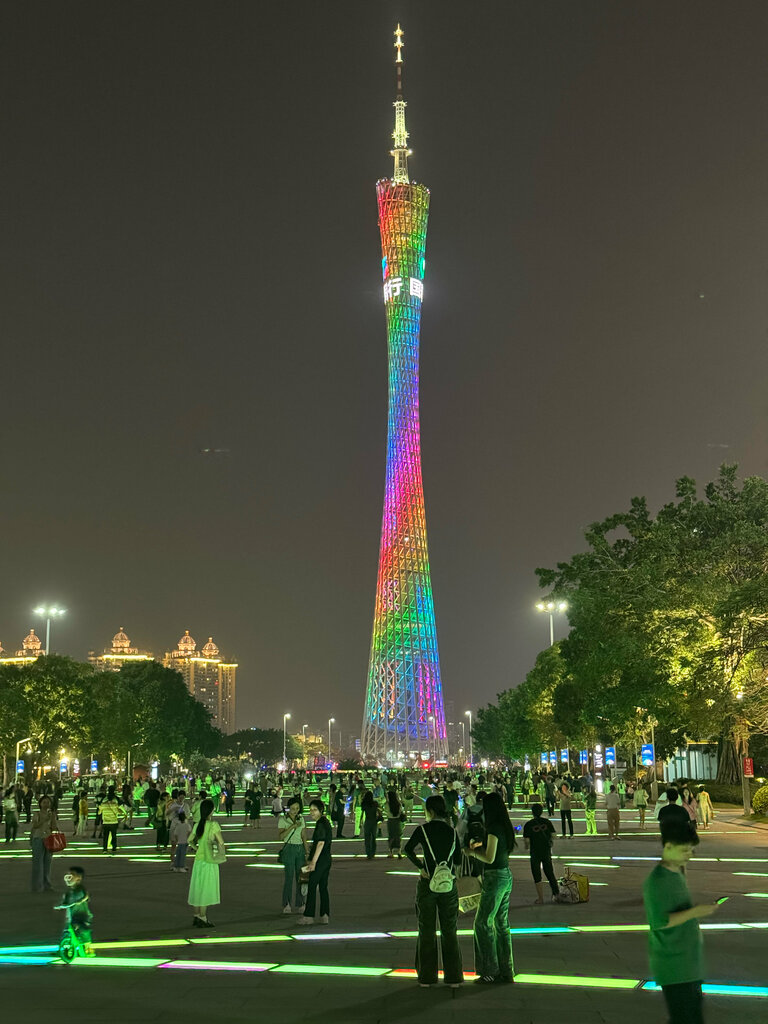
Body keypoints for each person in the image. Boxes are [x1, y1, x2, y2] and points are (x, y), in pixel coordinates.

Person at [643, 825, 717, 1023]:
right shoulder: (657, 880)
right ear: (668, 846)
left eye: (691, 850)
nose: (689, 855)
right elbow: (659, 921)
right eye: (685, 850)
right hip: (674, 966)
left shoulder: (677, 873)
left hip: (688, 964)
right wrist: (696, 912)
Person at [404, 794, 463, 989]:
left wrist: (421, 866)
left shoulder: (423, 829)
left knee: (427, 930)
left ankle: (427, 977)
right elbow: (458, 860)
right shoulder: (452, 832)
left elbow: (408, 849)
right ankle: (453, 977)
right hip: (448, 885)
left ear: (430, 811)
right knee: (450, 930)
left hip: (428, 883)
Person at [467, 790, 515, 985]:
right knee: (501, 924)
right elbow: (497, 849)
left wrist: (471, 852)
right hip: (505, 875)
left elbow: (489, 857)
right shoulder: (505, 826)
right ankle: (506, 970)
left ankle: (489, 971)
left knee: (482, 923)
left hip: (495, 878)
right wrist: (480, 845)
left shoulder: (494, 828)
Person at [187, 798, 225, 929]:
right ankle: (203, 917)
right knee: (206, 888)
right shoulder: (213, 825)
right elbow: (221, 842)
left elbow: (190, 840)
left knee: (197, 887)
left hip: (198, 860)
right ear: (211, 811)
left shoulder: (198, 825)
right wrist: (219, 852)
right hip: (209, 860)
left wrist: (197, 848)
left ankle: (196, 915)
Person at [298, 799, 332, 925]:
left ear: (321, 810)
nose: (312, 812)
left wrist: (313, 862)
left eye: (315, 810)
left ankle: (309, 916)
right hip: (326, 859)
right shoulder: (325, 822)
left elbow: (321, 843)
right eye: (311, 810)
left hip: (320, 860)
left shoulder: (321, 824)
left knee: (312, 885)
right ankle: (325, 915)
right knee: (323, 887)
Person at [523, 804, 559, 903]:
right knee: (550, 873)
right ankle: (556, 894)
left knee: (536, 874)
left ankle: (540, 898)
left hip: (535, 852)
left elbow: (527, 841)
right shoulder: (547, 822)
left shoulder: (528, 824)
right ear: (541, 811)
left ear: (532, 812)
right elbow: (554, 835)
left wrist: (527, 847)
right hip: (546, 850)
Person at [54, 865, 94, 956]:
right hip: (71, 916)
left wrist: (81, 900)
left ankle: (87, 947)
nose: (68, 878)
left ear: (78, 878)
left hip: (82, 916)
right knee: (67, 930)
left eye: (71, 876)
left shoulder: (81, 889)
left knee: (83, 930)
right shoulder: (68, 892)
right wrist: (60, 905)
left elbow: (86, 896)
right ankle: (65, 947)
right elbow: (64, 902)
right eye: (67, 876)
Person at [278, 797, 307, 914]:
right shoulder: (283, 820)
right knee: (289, 877)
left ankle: (301, 903)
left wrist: (307, 851)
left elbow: (304, 835)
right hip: (289, 848)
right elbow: (281, 837)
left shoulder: (301, 819)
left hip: (300, 848)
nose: (295, 811)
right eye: (293, 808)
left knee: (301, 877)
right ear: (288, 808)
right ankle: (287, 904)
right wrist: (292, 827)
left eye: (297, 808)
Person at [30, 795, 59, 892]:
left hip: (49, 839)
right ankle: (36, 886)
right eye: (44, 802)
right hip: (38, 839)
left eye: (48, 802)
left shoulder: (51, 814)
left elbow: (54, 827)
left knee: (47, 863)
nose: (46, 804)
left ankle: (47, 885)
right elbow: (35, 825)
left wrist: (53, 818)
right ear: (40, 804)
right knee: (37, 864)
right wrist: (45, 819)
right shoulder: (37, 814)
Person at [100, 787, 125, 854]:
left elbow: (100, 810)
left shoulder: (104, 799)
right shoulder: (116, 799)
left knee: (105, 836)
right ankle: (114, 847)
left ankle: (105, 849)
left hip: (105, 820)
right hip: (114, 820)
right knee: (114, 835)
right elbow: (121, 808)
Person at [361, 791, 381, 860]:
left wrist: (360, 822)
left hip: (367, 821)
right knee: (373, 837)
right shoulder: (375, 803)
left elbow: (362, 813)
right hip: (374, 821)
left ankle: (368, 853)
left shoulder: (364, 804)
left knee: (367, 838)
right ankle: (373, 852)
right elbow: (380, 809)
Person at [385, 788, 404, 858]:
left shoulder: (387, 804)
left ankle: (391, 852)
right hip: (397, 821)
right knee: (399, 836)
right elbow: (401, 812)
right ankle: (399, 852)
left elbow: (386, 811)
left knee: (391, 836)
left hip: (390, 821)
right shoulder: (398, 804)